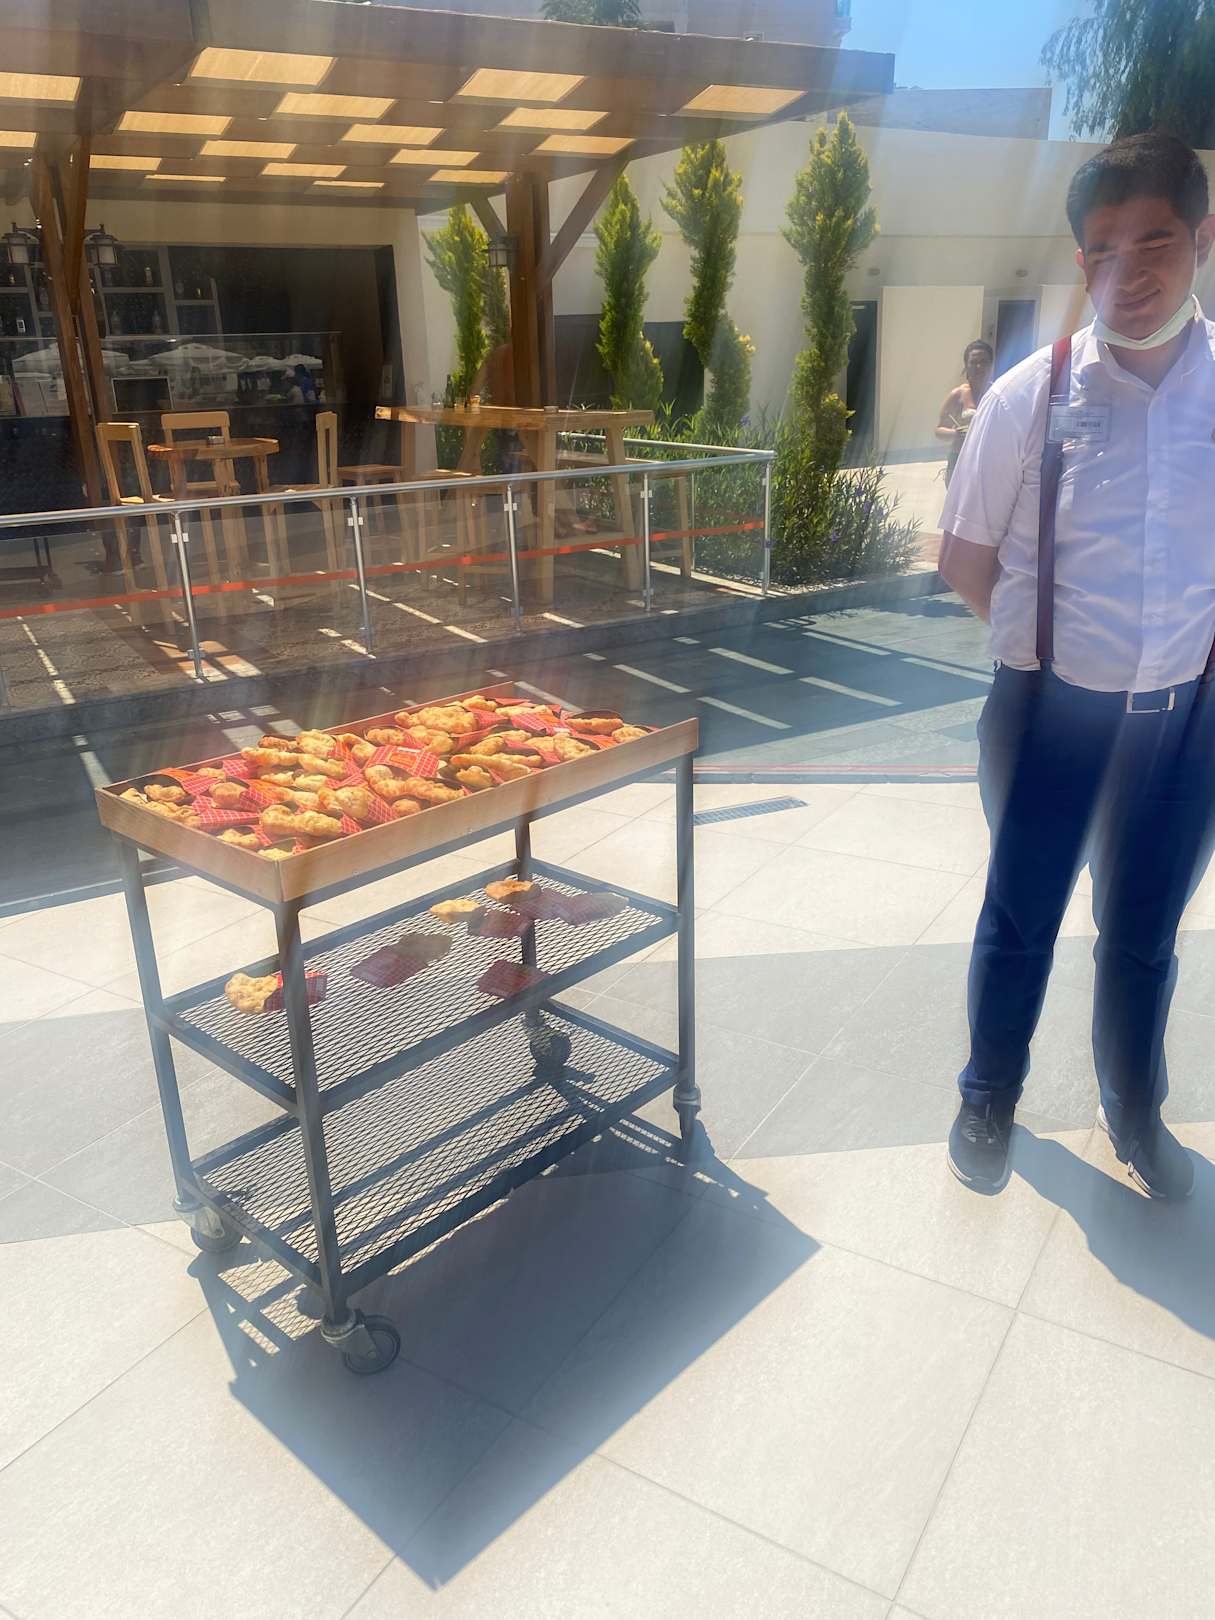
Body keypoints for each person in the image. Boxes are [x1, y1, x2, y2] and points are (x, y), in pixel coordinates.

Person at [938, 131, 1215, 1200]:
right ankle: (987, 1094)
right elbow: (966, 561)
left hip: (1184, 723)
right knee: (1021, 914)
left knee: (1143, 934)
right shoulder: (1029, 395)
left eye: (1155, 242)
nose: (1128, 273)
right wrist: (1048, 654)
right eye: (1103, 249)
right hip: (1047, 713)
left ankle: (1133, 1110)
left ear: (1202, 239)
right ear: (1079, 259)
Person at [936, 339, 994, 485]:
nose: (979, 366)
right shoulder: (958, 394)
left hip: (989, 462)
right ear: (966, 366)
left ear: (991, 365)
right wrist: (956, 434)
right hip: (960, 462)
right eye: (973, 362)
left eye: (984, 362)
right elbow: (938, 430)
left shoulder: (997, 394)